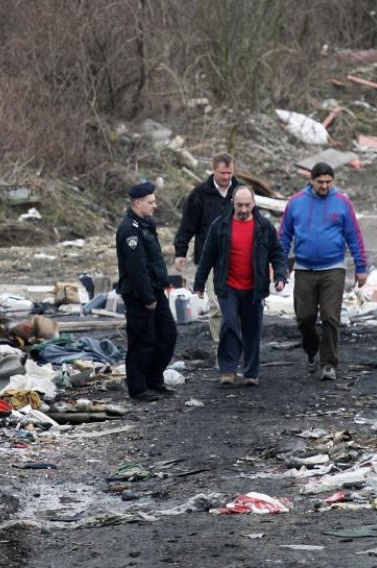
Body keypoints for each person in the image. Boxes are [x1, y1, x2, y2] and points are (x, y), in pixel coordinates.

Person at [279, 162, 368, 381]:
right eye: (320, 182)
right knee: (304, 317)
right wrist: (280, 266)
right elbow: (284, 236)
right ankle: (312, 350)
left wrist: (361, 266)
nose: (325, 186)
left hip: (333, 268)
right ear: (311, 180)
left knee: (330, 316)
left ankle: (328, 363)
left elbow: (353, 236)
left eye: (329, 182)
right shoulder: (296, 203)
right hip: (304, 268)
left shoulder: (342, 203)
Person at [193, 185, 287, 387]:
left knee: (252, 330)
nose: (243, 210)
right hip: (228, 286)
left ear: (254, 204)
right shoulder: (220, 226)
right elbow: (208, 256)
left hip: (254, 287)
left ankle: (251, 373)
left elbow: (277, 254)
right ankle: (228, 370)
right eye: (239, 205)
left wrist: (280, 276)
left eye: (247, 205)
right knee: (229, 324)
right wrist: (199, 283)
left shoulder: (264, 227)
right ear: (232, 204)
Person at [115, 182, 178, 402]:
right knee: (143, 340)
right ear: (138, 203)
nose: (155, 206)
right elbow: (136, 268)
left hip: (155, 290)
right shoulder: (129, 229)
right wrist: (147, 297)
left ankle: (154, 379)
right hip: (140, 294)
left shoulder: (146, 224)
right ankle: (138, 387)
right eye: (151, 202)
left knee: (167, 334)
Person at [174, 153, 240, 343]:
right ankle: (221, 346)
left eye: (230, 173)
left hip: (238, 257)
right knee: (217, 305)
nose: (227, 177)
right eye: (222, 173)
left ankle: (237, 343)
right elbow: (188, 224)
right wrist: (180, 252)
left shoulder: (240, 192)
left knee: (238, 304)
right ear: (213, 170)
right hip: (209, 258)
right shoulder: (200, 194)